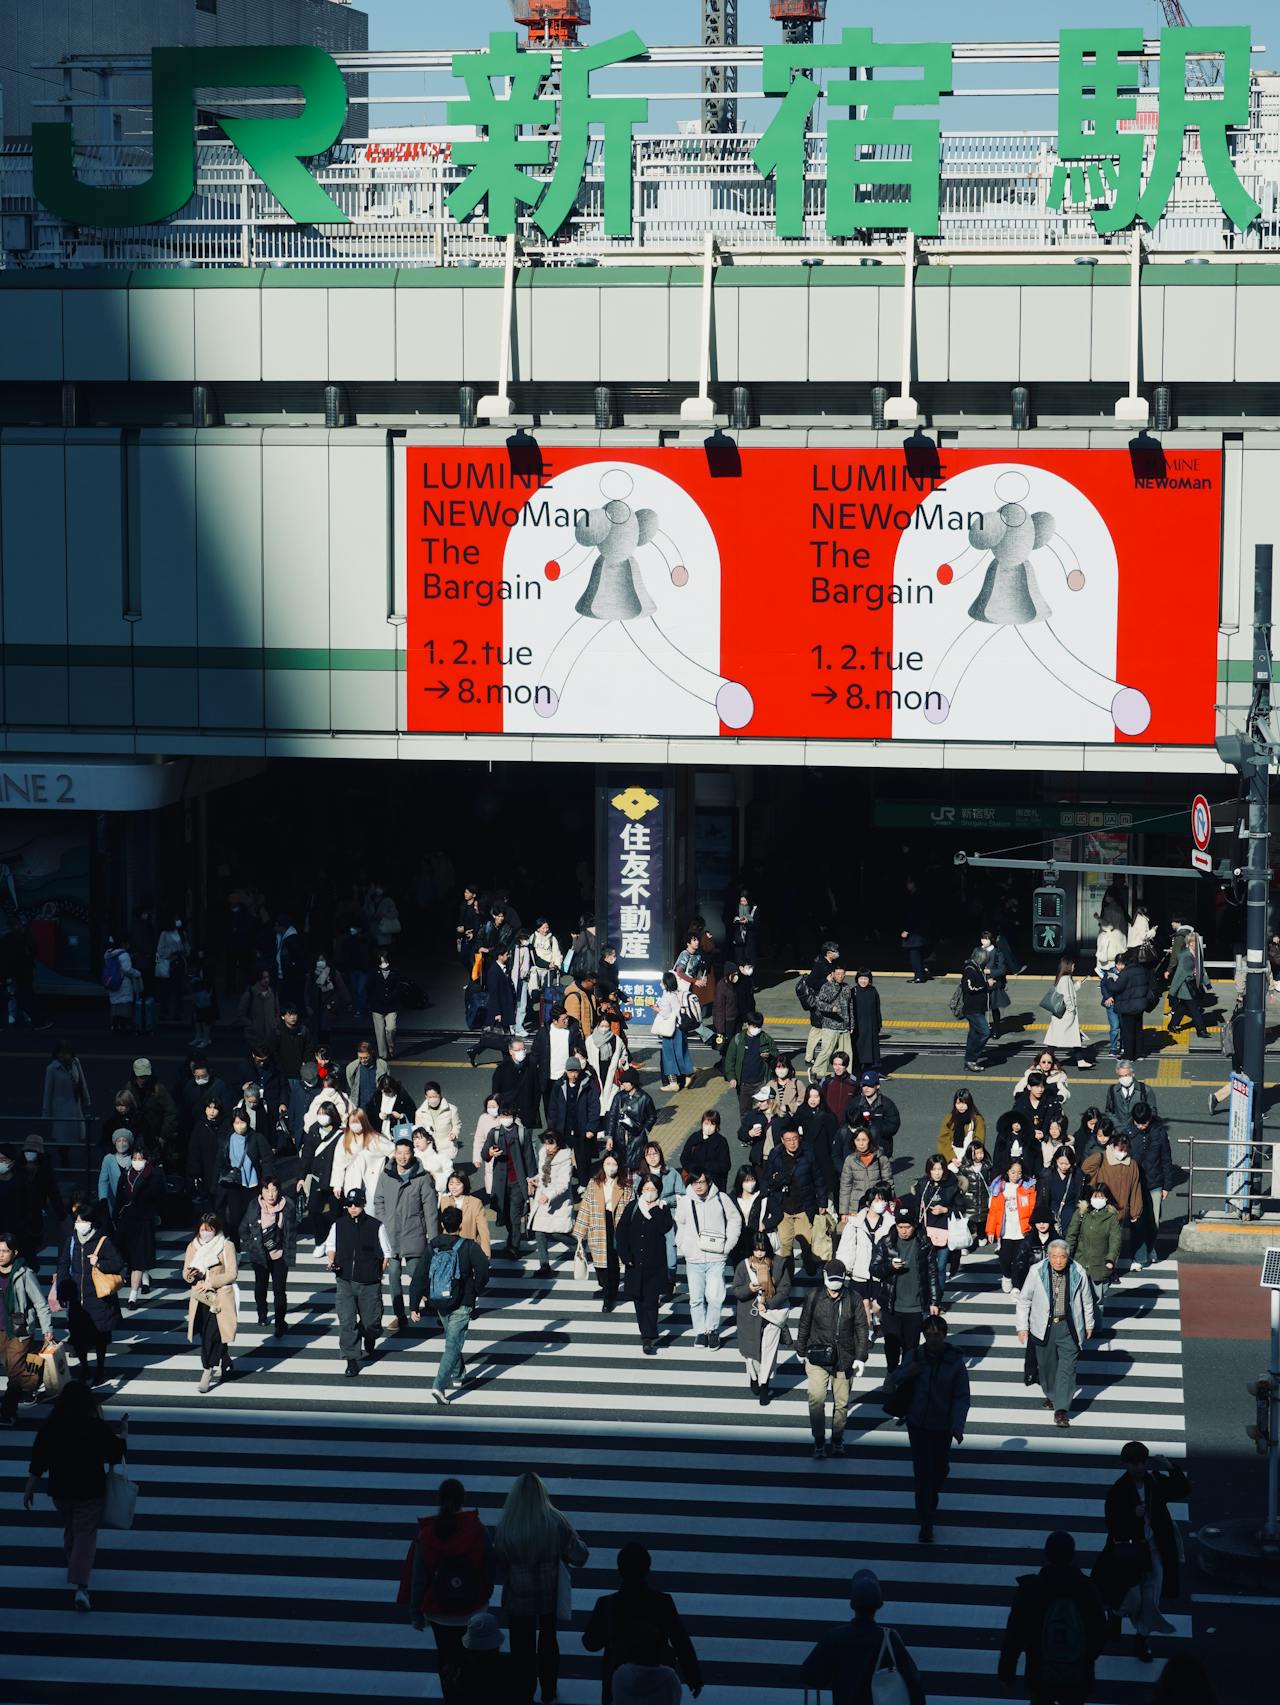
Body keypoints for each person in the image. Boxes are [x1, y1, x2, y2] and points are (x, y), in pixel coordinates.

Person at [23, 1382, 127, 1612]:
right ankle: (81, 1585)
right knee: (85, 1534)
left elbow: (39, 1457)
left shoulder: (51, 1426)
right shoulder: (94, 1426)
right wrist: (123, 1436)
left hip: (60, 1489)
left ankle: (74, 1563)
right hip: (90, 1490)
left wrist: (30, 1485)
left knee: (71, 1527)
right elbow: (114, 1454)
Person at [493, 1470, 590, 1705]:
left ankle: (524, 1693)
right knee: (548, 1640)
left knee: (521, 1647)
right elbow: (580, 1556)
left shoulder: (507, 1524)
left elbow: (499, 1563)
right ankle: (549, 1692)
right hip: (548, 1595)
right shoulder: (555, 1521)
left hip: (518, 1596)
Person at [399, 1477, 494, 1704]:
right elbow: (489, 1569)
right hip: (472, 1608)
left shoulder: (427, 1535)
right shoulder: (477, 1530)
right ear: (463, 1500)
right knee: (471, 1657)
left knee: (446, 1657)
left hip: (439, 1610)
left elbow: (419, 1579)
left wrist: (416, 1613)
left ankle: (451, 1697)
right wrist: (484, 1597)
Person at [1094, 1441, 1190, 1664]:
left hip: (1156, 1549)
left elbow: (1182, 1490)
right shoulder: (1118, 1491)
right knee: (1132, 1596)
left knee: (1151, 1597)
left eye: (1142, 1462)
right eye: (1134, 1463)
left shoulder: (1154, 1481)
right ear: (1125, 1464)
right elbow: (1112, 1525)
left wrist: (1171, 1467)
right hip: (1131, 1552)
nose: (1139, 1467)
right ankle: (1117, 1614)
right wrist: (1132, 1515)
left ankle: (1142, 1638)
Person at [582, 1541, 704, 1705]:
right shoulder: (663, 1602)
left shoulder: (607, 1604)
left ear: (620, 1570)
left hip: (617, 1683)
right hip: (658, 1679)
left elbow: (590, 1644)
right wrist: (693, 1676)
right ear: (647, 1570)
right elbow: (680, 1640)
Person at [999, 1530, 1107, 1705]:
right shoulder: (1087, 1589)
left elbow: (1015, 1634)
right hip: (1077, 1673)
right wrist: (1085, 1657)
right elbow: (1099, 1631)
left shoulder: (1032, 1589)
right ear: (1072, 1555)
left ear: (1047, 1554)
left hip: (1040, 1672)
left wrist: (1006, 1674)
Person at [888, 1313, 970, 1541]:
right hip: (918, 1424)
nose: (933, 1339)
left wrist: (957, 1425)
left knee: (940, 1469)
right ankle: (926, 1520)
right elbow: (893, 1380)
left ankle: (929, 1500)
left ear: (944, 1335)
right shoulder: (915, 1356)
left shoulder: (955, 1363)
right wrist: (909, 1371)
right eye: (929, 1335)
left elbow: (962, 1397)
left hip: (942, 1425)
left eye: (937, 1335)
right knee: (923, 1472)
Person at [801, 1566, 925, 1705]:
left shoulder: (835, 1637)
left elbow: (810, 1676)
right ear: (879, 1605)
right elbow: (914, 1684)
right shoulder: (890, 1639)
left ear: (852, 1605)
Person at [1017, 1238, 1095, 1427]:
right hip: (1044, 1326)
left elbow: (1086, 1299)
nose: (1058, 1261)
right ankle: (1052, 1395)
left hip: (1069, 1326)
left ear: (1068, 1257)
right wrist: (1022, 1327)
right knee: (1046, 1367)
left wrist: (1089, 1323)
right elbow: (1024, 1299)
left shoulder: (1077, 1271)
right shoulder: (1037, 1271)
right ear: (1048, 1256)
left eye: (1062, 1257)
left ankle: (1061, 1409)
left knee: (1068, 1369)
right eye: (1054, 1256)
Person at [797, 1259, 867, 1459]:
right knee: (816, 1398)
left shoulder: (853, 1298)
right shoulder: (814, 1297)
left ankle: (837, 1439)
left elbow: (862, 1328)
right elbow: (804, 1324)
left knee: (842, 1402)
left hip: (844, 1357)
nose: (835, 1286)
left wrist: (861, 1357)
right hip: (817, 1355)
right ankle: (819, 1440)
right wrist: (801, 1351)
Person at [372, 1134, 439, 1332]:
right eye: (399, 1153)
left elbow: (430, 1210)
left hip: (414, 1233)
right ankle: (400, 1315)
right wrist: (384, 1223)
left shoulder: (422, 1177)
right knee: (393, 1275)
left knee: (417, 1275)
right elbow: (379, 1201)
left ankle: (426, 1303)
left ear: (412, 1154)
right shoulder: (386, 1175)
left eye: (406, 1153)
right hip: (390, 1235)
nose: (402, 1157)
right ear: (394, 1154)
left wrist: (433, 1239)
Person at [323, 1186, 390, 1379]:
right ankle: (351, 1360)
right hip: (344, 1280)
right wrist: (331, 1260)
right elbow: (331, 1245)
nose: (352, 1208)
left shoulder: (376, 1226)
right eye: (349, 1204)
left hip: (370, 1283)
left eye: (356, 1204)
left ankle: (369, 1335)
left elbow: (386, 1253)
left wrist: (379, 1272)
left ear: (363, 1204)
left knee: (372, 1323)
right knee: (346, 1322)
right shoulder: (339, 1225)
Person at [427, 1203, 491, 1403]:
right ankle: (439, 1385)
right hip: (462, 1301)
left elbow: (421, 1273)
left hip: (440, 1300)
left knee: (452, 1339)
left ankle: (459, 1374)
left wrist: (415, 1303)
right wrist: (474, 1291)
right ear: (460, 1224)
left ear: (443, 1224)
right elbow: (483, 1272)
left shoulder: (434, 1245)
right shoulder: (469, 1246)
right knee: (453, 1344)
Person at [56, 1205, 124, 1386]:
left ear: (92, 1222)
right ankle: (85, 1368)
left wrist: (100, 1263)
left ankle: (100, 1369)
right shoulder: (71, 1241)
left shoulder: (102, 1241)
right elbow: (63, 1264)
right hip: (76, 1299)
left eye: (83, 1221)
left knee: (100, 1337)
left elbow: (118, 1263)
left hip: (98, 1298)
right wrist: (62, 1289)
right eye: (77, 1221)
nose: (79, 1224)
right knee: (78, 1337)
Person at [674, 1171, 743, 1350]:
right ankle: (700, 1331)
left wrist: (727, 1245)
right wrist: (683, 1245)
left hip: (716, 1256)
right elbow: (679, 1223)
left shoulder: (721, 1198)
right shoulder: (686, 1201)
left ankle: (711, 1330)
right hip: (693, 1258)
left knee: (715, 1297)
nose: (698, 1186)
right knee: (696, 1298)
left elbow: (735, 1220)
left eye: (702, 1182)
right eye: (695, 1182)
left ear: (708, 1182)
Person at [870, 1205, 941, 1372]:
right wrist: (890, 1267)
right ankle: (892, 1376)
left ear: (915, 1226)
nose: (903, 1231)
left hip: (915, 1307)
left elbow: (932, 1273)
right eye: (900, 1227)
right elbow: (874, 1268)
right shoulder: (886, 1242)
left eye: (907, 1227)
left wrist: (934, 1301)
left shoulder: (924, 1244)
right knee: (892, 1346)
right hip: (891, 1305)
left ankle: (906, 1381)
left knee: (910, 1349)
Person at [616, 1173, 675, 1355]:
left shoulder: (662, 1209)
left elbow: (665, 1228)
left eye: (653, 1189)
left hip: (654, 1265)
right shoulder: (633, 1207)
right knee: (638, 1300)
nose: (649, 1192)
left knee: (650, 1301)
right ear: (640, 1189)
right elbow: (621, 1231)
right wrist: (625, 1255)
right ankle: (645, 1330)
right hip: (634, 1263)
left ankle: (648, 1337)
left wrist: (655, 1209)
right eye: (646, 1188)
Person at [731, 1229, 792, 1404]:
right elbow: (736, 1290)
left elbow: (785, 1288)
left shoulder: (779, 1263)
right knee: (751, 1353)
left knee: (769, 1351)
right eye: (756, 1249)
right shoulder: (743, 1266)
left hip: (772, 1314)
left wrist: (769, 1304)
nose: (759, 1253)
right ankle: (754, 1376)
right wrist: (749, 1289)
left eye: (763, 1249)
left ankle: (764, 1383)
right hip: (749, 1315)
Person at [0, 1229, 54, 1424]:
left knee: (14, 1374)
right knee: (11, 1367)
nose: (1, 1255)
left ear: (14, 1253)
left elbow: (40, 1303)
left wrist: (47, 1328)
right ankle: (34, 1380)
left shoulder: (24, 1274)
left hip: (19, 1330)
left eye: (5, 1251)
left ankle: (8, 1413)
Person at [183, 1210, 239, 1394]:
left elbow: (232, 1273)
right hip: (201, 1298)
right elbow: (185, 1273)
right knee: (206, 1333)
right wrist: (191, 1276)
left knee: (213, 1335)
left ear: (216, 1230)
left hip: (220, 1297)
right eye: (202, 1230)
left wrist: (211, 1282)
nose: (205, 1233)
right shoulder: (193, 1247)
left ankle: (207, 1371)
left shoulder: (226, 1246)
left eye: (209, 1230)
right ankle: (225, 1357)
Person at [240, 1176, 298, 1335]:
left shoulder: (288, 1206)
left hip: (280, 1256)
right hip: (260, 1256)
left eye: (274, 1190)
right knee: (260, 1287)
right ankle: (262, 1313)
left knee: (280, 1291)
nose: (271, 1194)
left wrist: (288, 1250)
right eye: (267, 1190)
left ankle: (280, 1322)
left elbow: (292, 1232)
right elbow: (243, 1229)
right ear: (262, 1191)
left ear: (279, 1191)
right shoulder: (254, 1206)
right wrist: (252, 1245)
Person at [574, 1157, 632, 1313]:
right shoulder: (594, 1183)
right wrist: (580, 1233)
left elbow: (631, 1208)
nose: (611, 1167)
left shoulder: (625, 1185)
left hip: (617, 1225)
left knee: (613, 1262)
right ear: (603, 1166)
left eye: (614, 1164)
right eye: (608, 1164)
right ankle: (605, 1285)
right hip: (598, 1223)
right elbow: (585, 1207)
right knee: (600, 1263)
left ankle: (609, 1296)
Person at [110, 1140, 163, 1305]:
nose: (137, 1161)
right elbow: (119, 1197)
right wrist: (115, 1217)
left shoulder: (153, 1175)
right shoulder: (125, 1175)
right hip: (127, 1221)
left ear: (146, 1159)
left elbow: (160, 1198)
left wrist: (157, 1214)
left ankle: (133, 1295)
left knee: (138, 1258)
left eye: (140, 1158)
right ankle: (144, 1277)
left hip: (144, 1221)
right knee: (131, 1255)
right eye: (135, 1158)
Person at [762, 1125, 819, 1277]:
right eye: (788, 1140)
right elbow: (767, 1180)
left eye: (794, 1139)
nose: (792, 1143)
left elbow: (818, 1178)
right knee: (785, 1246)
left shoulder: (808, 1154)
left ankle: (809, 1263)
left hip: (803, 1207)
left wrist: (822, 1202)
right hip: (783, 1208)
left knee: (806, 1243)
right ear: (782, 1141)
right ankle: (789, 1275)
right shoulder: (775, 1155)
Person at [215, 1106, 274, 1246]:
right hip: (234, 1183)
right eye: (236, 1123)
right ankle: (235, 1245)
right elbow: (220, 1161)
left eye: (242, 1122)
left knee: (253, 1216)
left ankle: (255, 1243)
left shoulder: (257, 1138)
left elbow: (267, 1159)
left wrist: (267, 1180)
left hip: (252, 1183)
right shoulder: (227, 1139)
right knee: (234, 1217)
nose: (239, 1126)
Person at [1126, 1104, 1174, 1268]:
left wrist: (1167, 1185)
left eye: (1144, 1123)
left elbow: (1166, 1159)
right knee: (1137, 1220)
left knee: (1154, 1221)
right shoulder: (1127, 1133)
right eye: (1139, 1123)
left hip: (1155, 1183)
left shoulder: (1159, 1132)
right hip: (1136, 1184)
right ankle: (1139, 1253)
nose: (1142, 1126)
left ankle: (1150, 1247)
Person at [1067, 1182, 1122, 1321]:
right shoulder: (1081, 1213)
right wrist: (1066, 1255)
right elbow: (1071, 1235)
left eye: (1101, 1197)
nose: (1098, 1199)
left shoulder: (1111, 1217)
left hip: (1101, 1264)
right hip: (1081, 1261)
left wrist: (1110, 1259)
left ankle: (1096, 1327)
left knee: (1097, 1299)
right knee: (1078, 1298)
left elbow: (1115, 1240)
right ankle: (1080, 1325)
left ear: (1107, 1198)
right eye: (1095, 1196)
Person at [909, 1153, 959, 1301]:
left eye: (940, 1169)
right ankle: (925, 1299)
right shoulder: (922, 1185)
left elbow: (961, 1207)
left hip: (945, 1230)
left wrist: (945, 1210)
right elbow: (916, 1207)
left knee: (941, 1267)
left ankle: (937, 1300)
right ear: (929, 1170)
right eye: (934, 1169)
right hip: (926, 1231)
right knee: (924, 1267)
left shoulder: (952, 1184)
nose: (937, 1172)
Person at [636, 1141, 684, 1290]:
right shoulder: (640, 1176)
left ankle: (670, 1277)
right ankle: (655, 1285)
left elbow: (682, 1195)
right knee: (651, 1252)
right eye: (648, 1154)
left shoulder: (671, 1173)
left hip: (668, 1217)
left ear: (660, 1155)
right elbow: (636, 1197)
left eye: (655, 1153)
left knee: (670, 1248)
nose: (652, 1157)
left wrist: (665, 1201)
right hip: (648, 1217)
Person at [528, 1129, 576, 1276]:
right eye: (546, 1143)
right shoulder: (543, 1153)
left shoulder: (565, 1158)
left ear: (558, 1143)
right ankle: (544, 1265)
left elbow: (563, 1183)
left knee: (556, 1232)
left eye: (551, 1144)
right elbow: (543, 1173)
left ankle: (576, 1244)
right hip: (543, 1197)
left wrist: (548, 1195)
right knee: (539, 1230)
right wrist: (535, 1180)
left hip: (558, 1201)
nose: (548, 1147)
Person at [1080, 1127, 1144, 1237]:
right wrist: (1099, 1156)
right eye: (1120, 1149)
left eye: (1126, 1150)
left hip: (1120, 1211)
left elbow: (1135, 1188)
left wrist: (1135, 1212)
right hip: (1101, 1208)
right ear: (1113, 1146)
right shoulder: (1103, 1158)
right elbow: (1086, 1167)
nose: (1123, 1153)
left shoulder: (1132, 1164)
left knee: (1115, 1243)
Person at [986, 1157, 1037, 1293]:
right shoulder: (999, 1188)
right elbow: (993, 1212)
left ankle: (1016, 1285)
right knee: (1005, 1258)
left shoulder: (1027, 1188)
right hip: (1005, 1230)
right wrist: (990, 1230)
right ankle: (1006, 1276)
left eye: (1019, 1173)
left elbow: (1032, 1209)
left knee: (1018, 1260)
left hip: (1022, 1230)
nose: (1016, 1175)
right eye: (1013, 1172)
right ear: (1007, 1172)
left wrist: (1032, 1227)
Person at [42, 1041, 91, 1165]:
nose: (63, 1055)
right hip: (60, 1108)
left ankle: (66, 1155)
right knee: (62, 1136)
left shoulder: (75, 1063)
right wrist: (46, 1112)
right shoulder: (52, 1069)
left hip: (74, 1104)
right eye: (61, 1053)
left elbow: (82, 1082)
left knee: (73, 1133)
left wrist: (86, 1098)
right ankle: (64, 1158)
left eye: (66, 1053)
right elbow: (48, 1091)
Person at [722, 1012, 777, 1118]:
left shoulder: (766, 1039)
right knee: (745, 1113)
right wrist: (732, 1077)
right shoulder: (738, 1040)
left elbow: (776, 1056)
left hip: (761, 1083)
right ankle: (747, 1133)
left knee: (763, 1112)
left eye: (759, 1026)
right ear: (747, 1025)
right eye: (754, 1026)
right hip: (743, 1085)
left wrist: (769, 1057)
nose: (757, 1029)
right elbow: (729, 1060)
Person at [838, 1128, 893, 1221]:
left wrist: (891, 1201)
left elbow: (889, 1182)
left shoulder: (881, 1158)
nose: (861, 1143)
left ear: (870, 1140)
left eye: (864, 1140)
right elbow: (845, 1187)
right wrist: (844, 1212)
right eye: (857, 1140)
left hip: (878, 1203)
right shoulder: (850, 1160)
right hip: (856, 1206)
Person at [653, 971, 694, 1092]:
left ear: (666, 983)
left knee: (669, 1056)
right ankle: (688, 1075)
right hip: (680, 1028)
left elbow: (665, 1014)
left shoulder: (667, 996)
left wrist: (656, 1009)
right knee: (682, 1053)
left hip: (670, 1030)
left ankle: (673, 1083)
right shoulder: (679, 993)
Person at [1108, 951, 1152, 1063]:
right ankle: (1139, 1053)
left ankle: (1128, 1055)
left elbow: (1117, 987)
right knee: (1138, 1030)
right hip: (1140, 1005)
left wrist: (1110, 980)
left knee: (1128, 1032)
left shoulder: (1126, 973)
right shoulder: (1142, 970)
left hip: (1128, 1005)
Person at [846, 1071, 901, 1159]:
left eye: (870, 1085)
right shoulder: (855, 1103)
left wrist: (875, 1127)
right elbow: (847, 1121)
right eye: (864, 1085)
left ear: (877, 1086)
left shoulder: (887, 1104)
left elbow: (893, 1126)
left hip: (881, 1149)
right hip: (859, 1149)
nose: (866, 1088)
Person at [1166, 929, 1209, 1038]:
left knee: (1182, 1007)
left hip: (1193, 985)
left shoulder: (1196, 954)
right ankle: (1201, 1030)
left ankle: (1172, 1025)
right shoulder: (1185, 956)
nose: (1195, 944)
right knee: (1195, 1009)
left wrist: (1207, 983)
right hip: (1186, 987)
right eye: (1193, 942)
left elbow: (1201, 969)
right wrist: (1172, 992)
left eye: (1196, 942)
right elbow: (1179, 974)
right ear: (1189, 943)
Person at [678, 1110, 731, 1194]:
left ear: (717, 1126)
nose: (708, 1127)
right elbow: (684, 1158)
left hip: (714, 1184)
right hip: (694, 1181)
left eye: (712, 1124)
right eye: (706, 1123)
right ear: (702, 1123)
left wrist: (707, 1169)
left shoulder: (721, 1142)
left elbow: (725, 1165)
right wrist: (694, 1171)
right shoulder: (695, 1137)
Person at [959, 951, 995, 1070]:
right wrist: (986, 984)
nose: (986, 962)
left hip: (978, 1008)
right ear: (981, 959)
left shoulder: (977, 968)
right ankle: (971, 1058)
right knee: (985, 1032)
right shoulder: (970, 969)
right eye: (986, 960)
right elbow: (969, 987)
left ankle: (968, 1061)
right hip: (972, 1008)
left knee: (973, 1034)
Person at [1041, 1144, 1082, 1241]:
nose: (1064, 1166)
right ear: (1056, 1161)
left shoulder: (1077, 1175)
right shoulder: (1048, 1175)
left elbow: (1079, 1196)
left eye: (1067, 1164)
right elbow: (1043, 1198)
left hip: (1071, 1213)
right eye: (1061, 1163)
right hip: (1053, 1212)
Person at [936, 1087, 984, 1167]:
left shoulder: (977, 1119)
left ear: (969, 1103)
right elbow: (943, 1139)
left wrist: (970, 1156)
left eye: (964, 1103)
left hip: (969, 1157)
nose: (961, 1106)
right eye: (958, 1103)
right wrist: (952, 1158)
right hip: (952, 1155)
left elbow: (978, 1140)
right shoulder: (949, 1118)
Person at [1106, 1058, 1159, 1126]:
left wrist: (1141, 1124)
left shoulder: (1145, 1090)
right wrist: (1118, 1127)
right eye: (1121, 1076)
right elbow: (1109, 1111)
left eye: (1126, 1075)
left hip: (1139, 1131)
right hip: (1119, 1132)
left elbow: (1153, 1112)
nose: (1124, 1078)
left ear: (1133, 1074)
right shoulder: (1113, 1090)